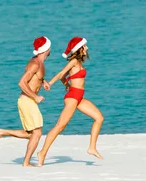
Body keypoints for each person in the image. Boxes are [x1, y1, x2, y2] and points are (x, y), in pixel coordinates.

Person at [36, 37, 104, 166]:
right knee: (60, 126)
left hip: (78, 97)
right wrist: (49, 83)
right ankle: (42, 153)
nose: (87, 48)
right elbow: (62, 73)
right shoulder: (73, 61)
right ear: (80, 49)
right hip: (72, 97)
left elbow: (65, 77)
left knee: (99, 118)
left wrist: (67, 84)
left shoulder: (78, 63)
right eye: (85, 46)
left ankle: (92, 148)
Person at [0, 36, 52, 167]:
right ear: (47, 49)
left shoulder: (40, 63)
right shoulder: (35, 63)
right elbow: (22, 82)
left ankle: (2, 132)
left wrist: (43, 82)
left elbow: (35, 77)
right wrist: (35, 97)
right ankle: (26, 162)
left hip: (28, 101)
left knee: (32, 134)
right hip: (27, 100)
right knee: (37, 133)